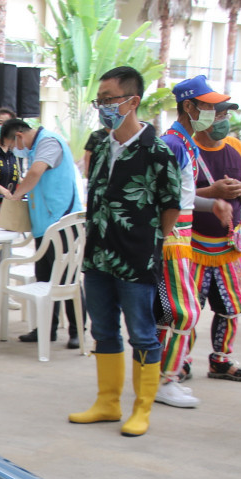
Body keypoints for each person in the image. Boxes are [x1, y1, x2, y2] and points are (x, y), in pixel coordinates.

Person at [70, 66, 182, 438]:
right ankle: (107, 402)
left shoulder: (158, 151)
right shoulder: (100, 145)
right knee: (102, 330)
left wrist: (148, 242)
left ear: (132, 101)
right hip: (98, 255)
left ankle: (142, 409)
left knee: (142, 334)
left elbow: (170, 205)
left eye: (109, 99)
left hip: (136, 259)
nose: (102, 107)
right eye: (99, 100)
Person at [154, 75, 230, 410]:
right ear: (189, 106)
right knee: (184, 312)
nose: (216, 114)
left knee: (171, 312)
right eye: (210, 107)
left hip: (180, 236)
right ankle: (167, 379)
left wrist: (211, 203)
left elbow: (183, 197)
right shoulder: (173, 144)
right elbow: (165, 198)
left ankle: (160, 377)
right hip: (173, 239)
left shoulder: (184, 142)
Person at [188, 102, 241, 381]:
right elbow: (177, 193)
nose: (222, 120)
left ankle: (221, 359)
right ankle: (181, 359)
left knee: (231, 307)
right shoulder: (187, 149)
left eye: (225, 115)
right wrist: (211, 191)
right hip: (194, 246)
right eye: (217, 115)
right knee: (189, 309)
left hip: (229, 245)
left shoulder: (235, 146)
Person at [0, 117, 83, 348]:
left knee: (67, 278)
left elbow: (36, 173)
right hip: (44, 225)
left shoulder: (49, 142)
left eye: (12, 145)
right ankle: (47, 328)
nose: (15, 151)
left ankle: (78, 331)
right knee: (45, 278)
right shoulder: (37, 146)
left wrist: (16, 195)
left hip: (62, 223)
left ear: (19, 136)